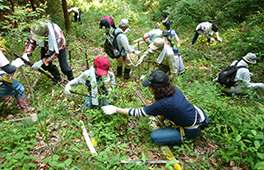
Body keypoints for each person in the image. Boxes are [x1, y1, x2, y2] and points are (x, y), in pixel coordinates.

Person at [101, 70, 210, 145]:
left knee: (155, 137)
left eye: (150, 86)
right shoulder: (173, 90)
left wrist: (116, 109)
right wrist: (159, 118)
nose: (149, 88)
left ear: (156, 88)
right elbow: (167, 109)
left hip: (189, 130)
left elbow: (139, 112)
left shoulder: (164, 103)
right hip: (197, 115)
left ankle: (186, 137)